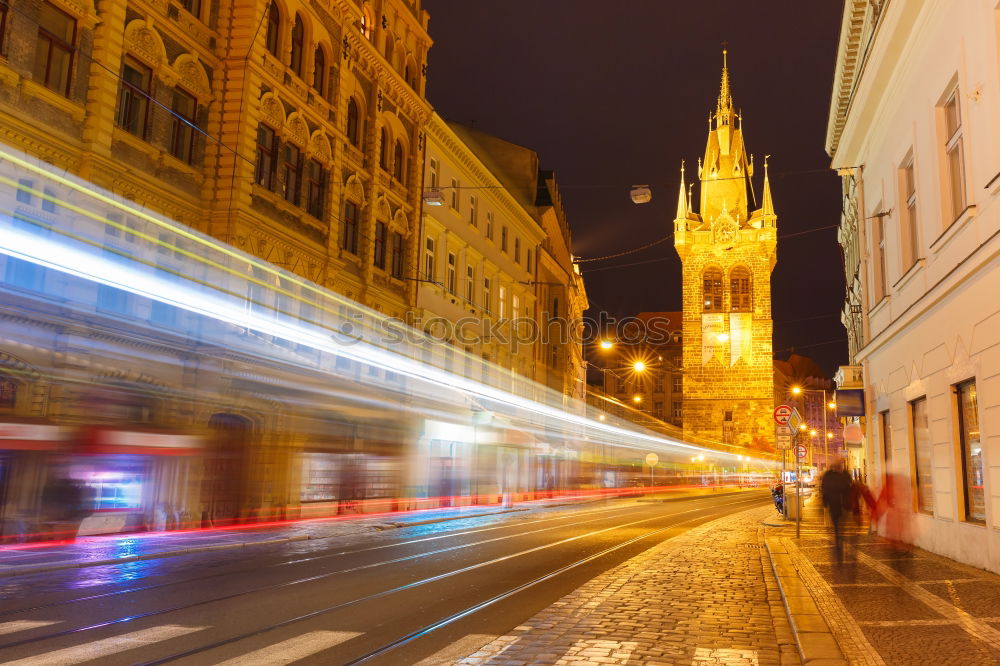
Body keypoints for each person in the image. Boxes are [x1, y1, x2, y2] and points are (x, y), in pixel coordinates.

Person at [820, 459, 853, 564]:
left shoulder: (829, 476)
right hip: (840, 505)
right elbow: (847, 486)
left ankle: (838, 540)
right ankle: (839, 540)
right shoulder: (841, 475)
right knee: (839, 525)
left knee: (838, 525)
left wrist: (825, 503)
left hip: (837, 505)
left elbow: (824, 489)